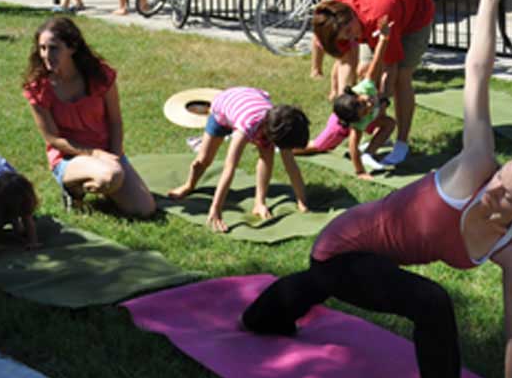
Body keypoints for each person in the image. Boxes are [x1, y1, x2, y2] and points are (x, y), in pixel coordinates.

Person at [243, 0, 512, 378]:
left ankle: (267, 314)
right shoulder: (476, 163)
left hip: (373, 265)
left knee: (312, 291)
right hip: (342, 246)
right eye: (500, 178)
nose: (492, 189)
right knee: (427, 300)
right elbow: (477, 72)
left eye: (506, 197)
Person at [23, 17, 156, 218]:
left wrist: (116, 155)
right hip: (68, 157)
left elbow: (115, 121)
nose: (46, 55)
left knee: (144, 209)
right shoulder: (38, 88)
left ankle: (106, 185)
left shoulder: (99, 76)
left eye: (54, 48)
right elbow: (53, 139)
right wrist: (96, 155)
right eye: (42, 48)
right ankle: (73, 190)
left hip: (107, 153)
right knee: (111, 176)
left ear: (72, 47)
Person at [313, 0, 435, 166]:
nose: (348, 38)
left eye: (348, 33)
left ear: (351, 19)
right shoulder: (335, 17)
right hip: (379, 8)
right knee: (366, 70)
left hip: (415, 12)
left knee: (401, 77)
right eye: (342, 37)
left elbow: (390, 65)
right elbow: (346, 62)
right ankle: (381, 135)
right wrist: (345, 104)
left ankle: (401, 143)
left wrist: (381, 102)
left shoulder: (376, 17)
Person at [168, 87, 311, 233]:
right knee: (203, 160)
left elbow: (291, 166)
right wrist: (216, 209)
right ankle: (189, 185)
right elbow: (229, 168)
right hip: (222, 110)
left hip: (249, 103)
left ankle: (259, 202)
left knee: (267, 155)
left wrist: (302, 201)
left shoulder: (281, 124)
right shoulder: (246, 126)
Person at [297, 16, 397, 179]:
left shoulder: (366, 87)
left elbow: (377, 62)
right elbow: (352, 148)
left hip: (356, 114)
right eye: (366, 108)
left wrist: (384, 38)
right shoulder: (356, 125)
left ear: (357, 95)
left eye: (365, 102)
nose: (370, 103)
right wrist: (360, 172)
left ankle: (369, 153)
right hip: (340, 126)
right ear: (359, 118)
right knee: (318, 146)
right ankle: (285, 147)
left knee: (389, 123)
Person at [310, 0, 368, 99]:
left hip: (343, 23)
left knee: (346, 57)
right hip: (338, 23)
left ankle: (343, 86)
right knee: (343, 59)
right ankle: (335, 89)